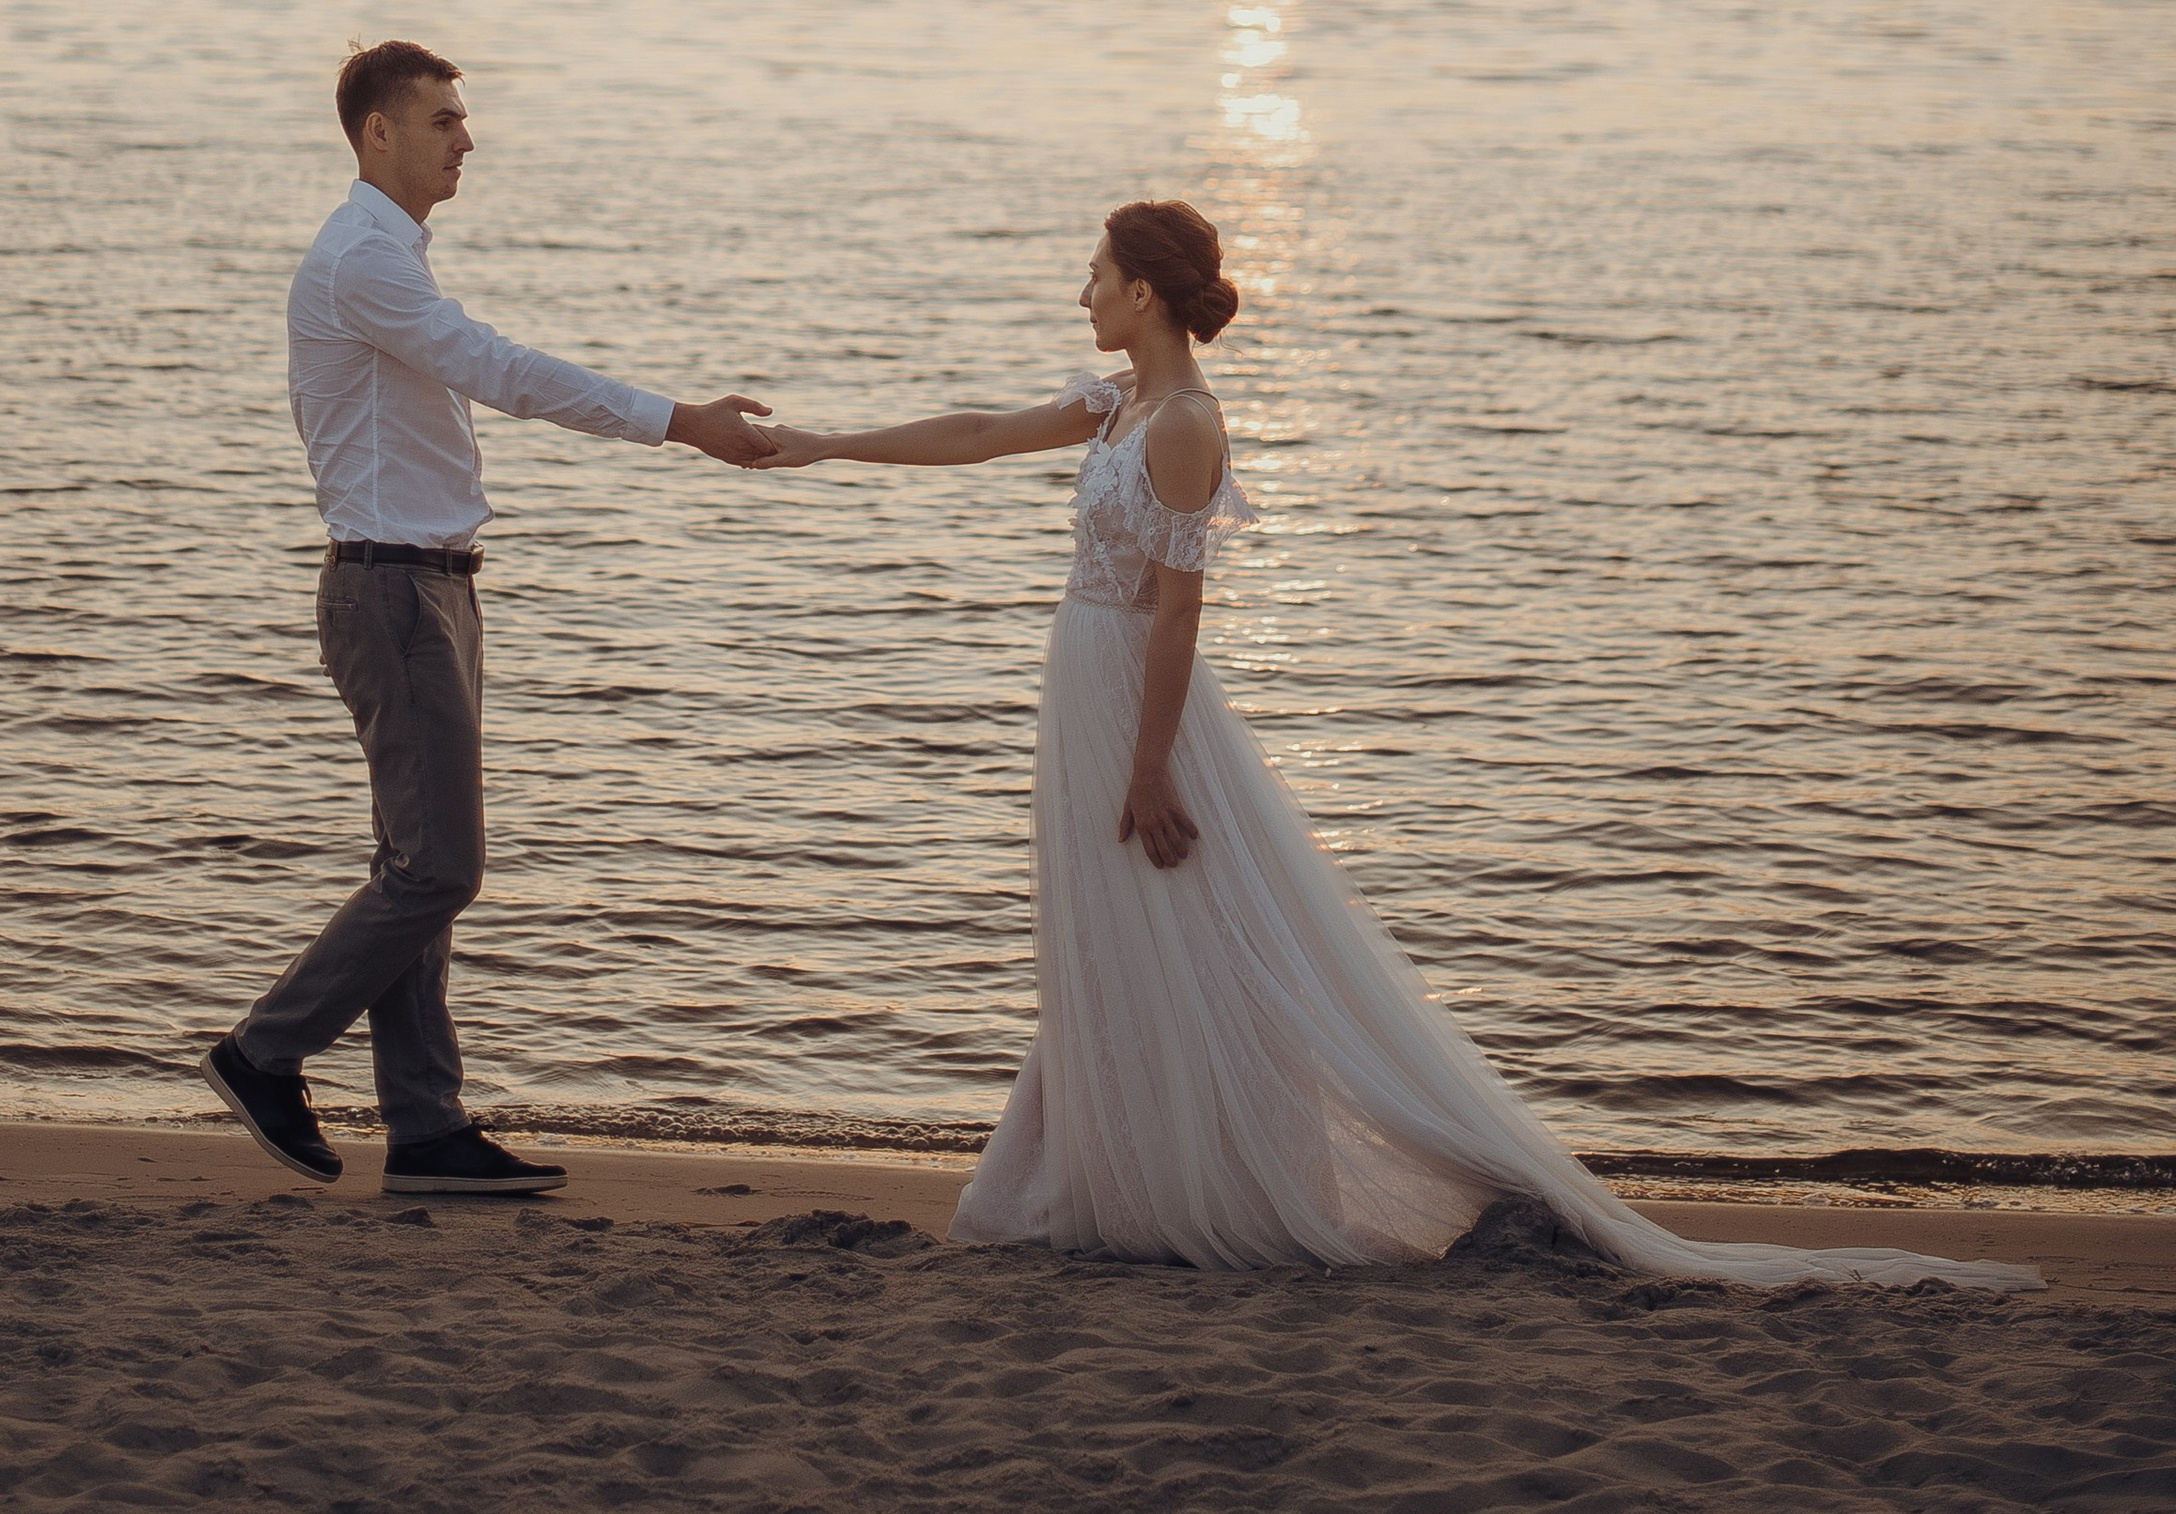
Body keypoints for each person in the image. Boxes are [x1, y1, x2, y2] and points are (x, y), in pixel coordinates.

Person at [753, 198, 2038, 1289]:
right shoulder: (1115, 402)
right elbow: (975, 431)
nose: (1078, 288)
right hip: (1082, 679)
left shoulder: (1186, 422)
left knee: (1182, 920)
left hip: (1134, 697)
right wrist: (821, 443)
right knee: (1111, 930)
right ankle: (1105, 1171)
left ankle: (1216, 1179)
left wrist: (1150, 765)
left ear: (1142, 291)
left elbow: (1181, 610)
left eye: (1093, 272)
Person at [202, 39, 772, 1198]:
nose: (467, 137)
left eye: (463, 118)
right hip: (392, 588)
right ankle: (262, 1051)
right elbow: (496, 367)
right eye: (445, 118)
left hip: (431, 585)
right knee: (439, 867)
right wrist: (680, 420)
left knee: (414, 861)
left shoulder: (385, 255)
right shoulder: (363, 257)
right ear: (378, 132)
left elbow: (470, 368)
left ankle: (424, 1127)